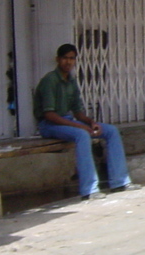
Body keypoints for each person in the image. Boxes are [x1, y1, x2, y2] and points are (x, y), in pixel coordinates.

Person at [36, 44, 138, 200]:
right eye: (65, 58)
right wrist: (80, 126)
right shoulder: (50, 80)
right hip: (49, 125)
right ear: (58, 59)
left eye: (71, 58)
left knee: (111, 131)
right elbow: (49, 115)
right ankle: (89, 189)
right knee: (82, 135)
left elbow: (77, 111)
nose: (68, 62)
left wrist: (91, 122)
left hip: (68, 122)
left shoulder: (71, 80)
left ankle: (120, 182)